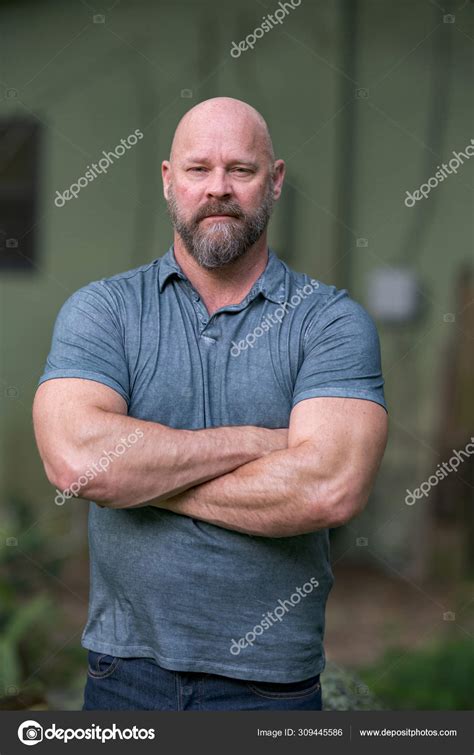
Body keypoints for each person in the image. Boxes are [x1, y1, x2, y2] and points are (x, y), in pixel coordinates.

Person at [33, 96, 388, 711]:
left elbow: (330, 489)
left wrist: (138, 479)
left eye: (240, 171)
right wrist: (260, 444)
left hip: (269, 687)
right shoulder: (104, 312)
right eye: (198, 170)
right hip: (124, 676)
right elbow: (76, 463)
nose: (218, 188)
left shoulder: (330, 322)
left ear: (274, 182)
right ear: (170, 181)